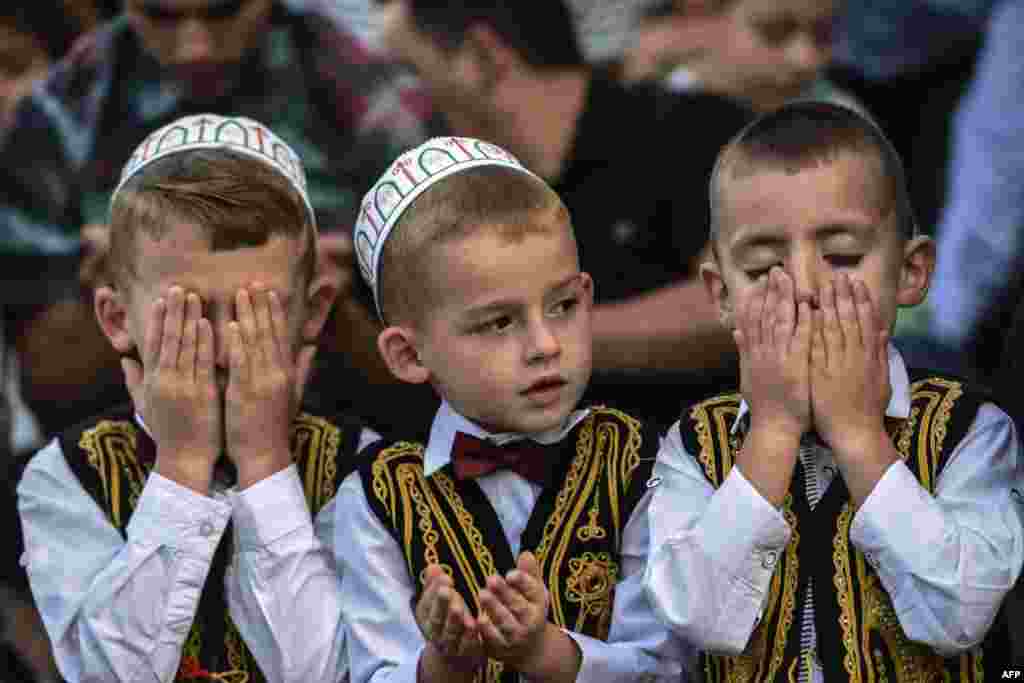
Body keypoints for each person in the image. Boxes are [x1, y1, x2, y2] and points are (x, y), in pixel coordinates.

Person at [642, 101, 1023, 680]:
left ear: (910, 272)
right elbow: (697, 618)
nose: (805, 287)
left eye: (842, 256)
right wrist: (770, 432)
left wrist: (858, 436)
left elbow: (962, 614)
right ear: (721, 296)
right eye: (764, 265)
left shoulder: (973, 431)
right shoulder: (693, 445)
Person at [16, 114, 377, 683]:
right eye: (189, 314)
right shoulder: (64, 477)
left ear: (314, 312)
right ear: (117, 319)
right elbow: (110, 675)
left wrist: (264, 467)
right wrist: (182, 468)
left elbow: (331, 672)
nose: (226, 346)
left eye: (258, 313)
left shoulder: (372, 471)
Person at [334, 137, 691, 683]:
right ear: (409, 355)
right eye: (499, 322)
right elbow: (371, 671)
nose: (546, 344)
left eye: (563, 306)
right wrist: (442, 665)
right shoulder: (379, 494)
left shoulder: (640, 460)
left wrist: (549, 655)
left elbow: (669, 665)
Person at [0, 0, 436, 441]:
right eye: (162, 16)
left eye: (223, 13)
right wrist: (126, 287)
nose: (195, 48)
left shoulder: (369, 95)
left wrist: (330, 312)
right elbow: (45, 386)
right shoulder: (63, 111)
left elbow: (450, 381)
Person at [372, 0, 753, 431]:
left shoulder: (695, 132)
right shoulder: (444, 196)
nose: (404, 100)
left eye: (413, 71)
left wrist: (516, 335)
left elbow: (748, 302)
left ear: (483, 56)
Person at [621, 0, 860, 115]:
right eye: (774, 31)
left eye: (824, 35)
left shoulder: (838, 119)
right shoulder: (657, 95)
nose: (805, 59)